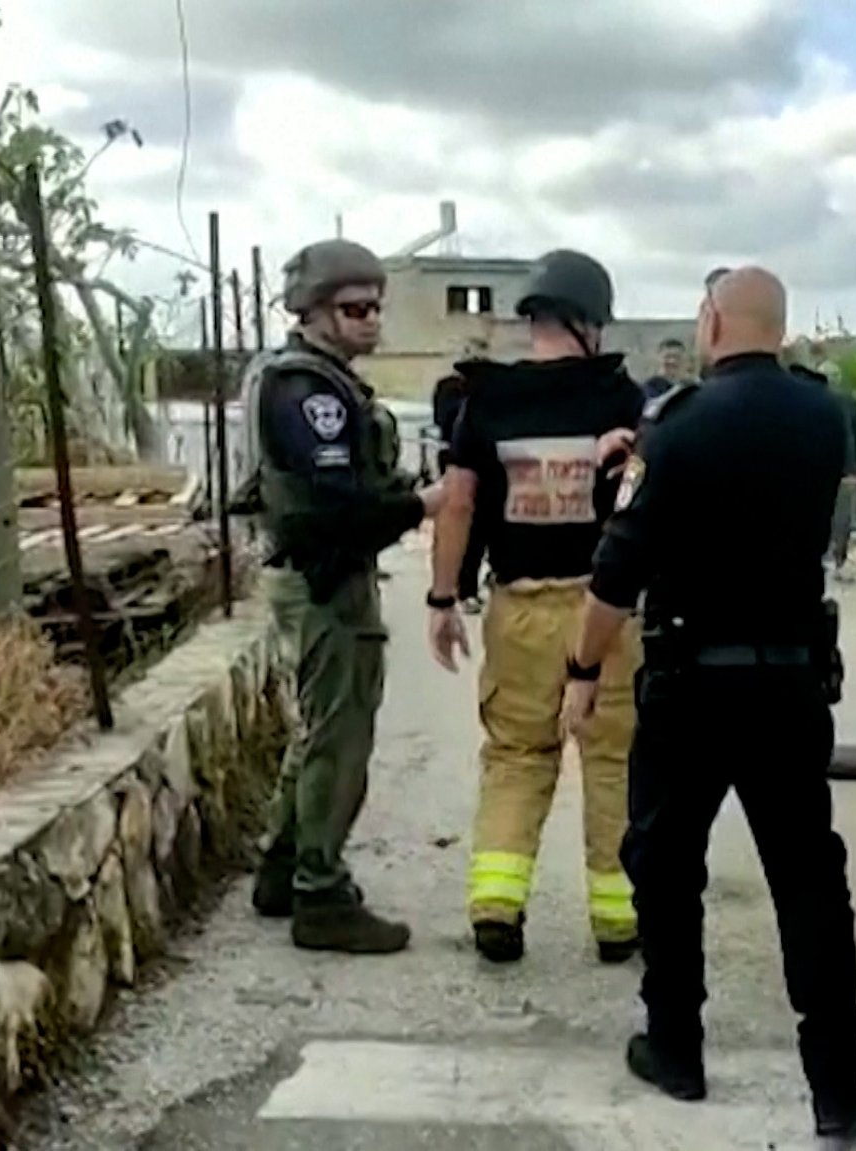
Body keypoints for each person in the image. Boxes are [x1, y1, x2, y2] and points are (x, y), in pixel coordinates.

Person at [560, 265, 856, 1140]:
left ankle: (676, 1047)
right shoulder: (822, 418)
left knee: (665, 866)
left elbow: (618, 569)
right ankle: (838, 1087)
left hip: (693, 683)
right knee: (809, 877)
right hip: (790, 679)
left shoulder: (679, 425)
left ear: (711, 322)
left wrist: (583, 671)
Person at [426, 249, 645, 965]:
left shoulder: (485, 398)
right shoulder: (620, 399)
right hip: (604, 612)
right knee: (614, 758)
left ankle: (497, 906)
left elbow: (458, 501)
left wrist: (442, 596)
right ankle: (618, 921)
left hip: (518, 606)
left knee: (517, 755)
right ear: (586, 320)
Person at [245, 239, 447, 954]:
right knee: (340, 736)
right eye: (354, 307)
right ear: (313, 310)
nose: (370, 320)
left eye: (375, 306)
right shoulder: (310, 393)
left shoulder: (316, 380)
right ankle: (319, 893)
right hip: (327, 579)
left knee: (319, 728)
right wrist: (423, 504)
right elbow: (333, 507)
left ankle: (283, 865)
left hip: (321, 574)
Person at [431, 338, 492, 613]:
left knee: (483, 528)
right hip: (455, 458)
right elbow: (446, 419)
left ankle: (476, 582)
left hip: (486, 463)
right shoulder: (449, 388)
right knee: (457, 521)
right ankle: (456, 587)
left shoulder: (489, 391)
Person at [794, 359, 856, 578]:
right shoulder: (813, 402)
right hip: (820, 468)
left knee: (841, 517)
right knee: (821, 515)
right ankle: (824, 559)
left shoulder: (848, 403)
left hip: (842, 468)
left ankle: (838, 560)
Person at [642, 337, 691, 402]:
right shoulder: (650, 388)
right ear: (658, 359)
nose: (672, 361)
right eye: (667, 357)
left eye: (677, 357)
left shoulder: (689, 387)